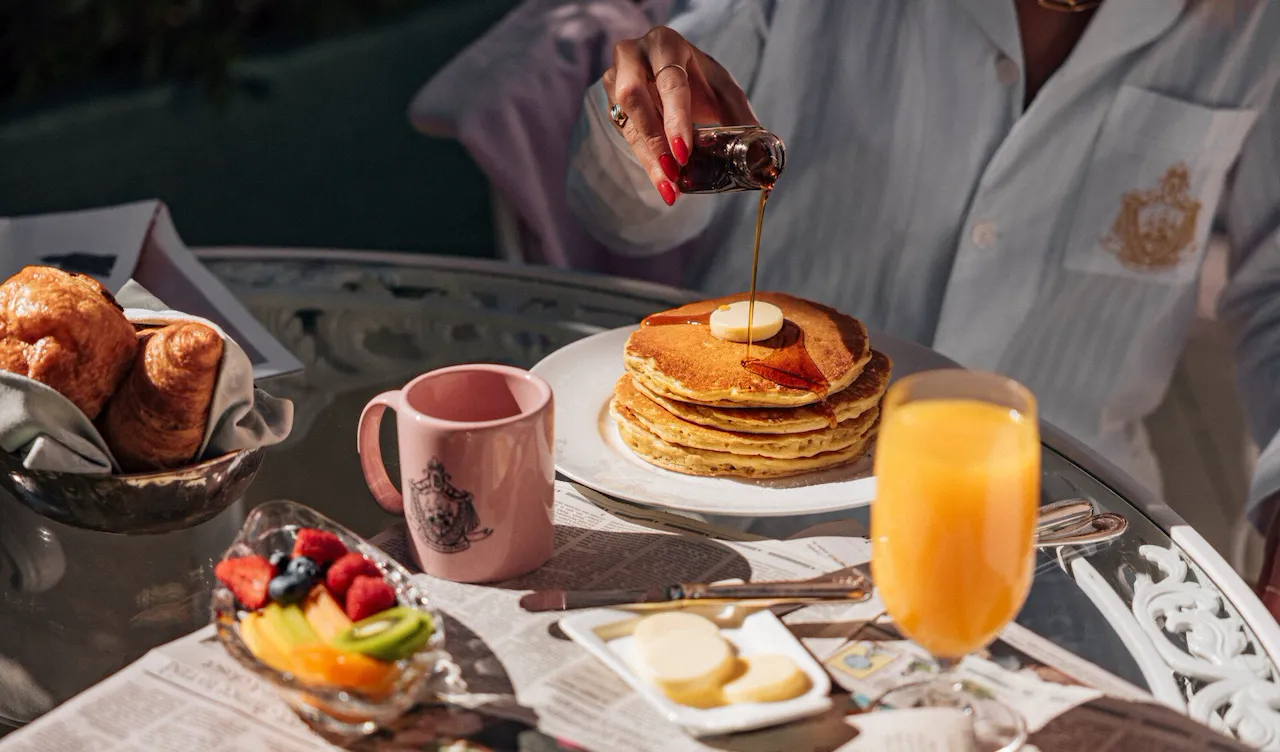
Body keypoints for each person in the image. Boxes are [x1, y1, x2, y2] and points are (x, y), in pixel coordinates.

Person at [564, 0, 1280, 610]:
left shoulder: (1255, 25)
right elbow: (625, 216)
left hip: (1059, 530)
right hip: (743, 533)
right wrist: (644, 132)